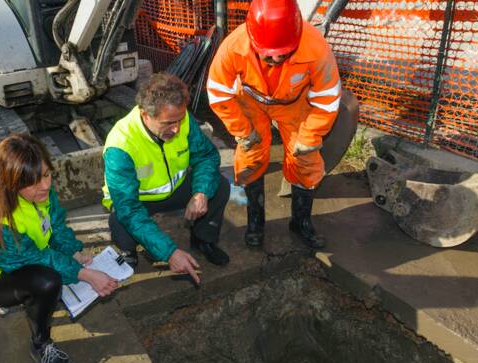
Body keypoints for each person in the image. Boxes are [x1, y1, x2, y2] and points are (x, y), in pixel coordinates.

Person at [0, 134, 118, 363]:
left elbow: (56, 226)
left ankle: (34, 299)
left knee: (52, 273)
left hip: (27, 257)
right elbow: (35, 257)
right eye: (34, 181)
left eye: (46, 174)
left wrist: (74, 254)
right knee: (46, 282)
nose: (46, 184)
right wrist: (82, 273)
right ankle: (41, 344)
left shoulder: (40, 192)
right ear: (11, 182)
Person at [207, 0, 341, 249]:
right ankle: (255, 223)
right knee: (250, 157)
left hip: (294, 103)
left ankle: (301, 222)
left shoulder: (317, 49)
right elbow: (218, 93)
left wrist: (309, 138)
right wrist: (242, 131)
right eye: (269, 53)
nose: (277, 57)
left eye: (284, 52)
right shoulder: (234, 46)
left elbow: (327, 99)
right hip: (251, 102)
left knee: (307, 160)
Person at [102, 73, 231, 284]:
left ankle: (203, 240)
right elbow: (129, 208)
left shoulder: (182, 119)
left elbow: (207, 156)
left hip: (175, 189)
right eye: (169, 123)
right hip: (140, 201)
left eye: (180, 120)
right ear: (145, 115)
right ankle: (129, 252)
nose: (177, 129)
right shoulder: (120, 145)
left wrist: (200, 193)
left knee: (218, 186)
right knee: (120, 221)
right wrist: (170, 252)